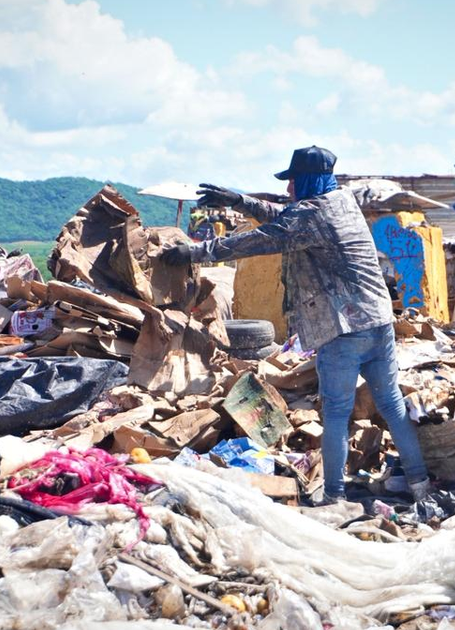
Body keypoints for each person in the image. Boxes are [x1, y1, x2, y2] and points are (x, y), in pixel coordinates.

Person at [160, 146, 431, 502]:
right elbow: (286, 217)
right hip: (379, 322)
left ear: (308, 181)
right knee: (392, 404)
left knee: (336, 413)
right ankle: (420, 484)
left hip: (344, 329)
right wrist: (240, 201)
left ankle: (333, 496)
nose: (289, 188)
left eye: (293, 181)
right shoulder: (341, 201)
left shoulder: (310, 215)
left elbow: (261, 239)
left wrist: (196, 252)